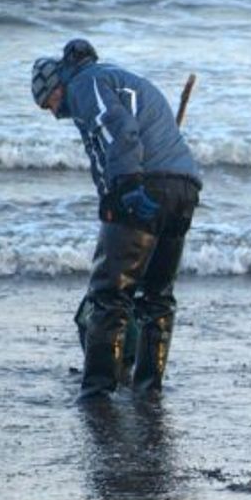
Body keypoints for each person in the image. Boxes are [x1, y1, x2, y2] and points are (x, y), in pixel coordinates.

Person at [31, 39, 202, 399]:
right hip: (184, 189)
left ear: (56, 84)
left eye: (49, 102)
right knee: (157, 297)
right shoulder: (117, 78)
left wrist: (124, 188)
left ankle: (97, 392)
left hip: (143, 184)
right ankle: (148, 389)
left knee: (109, 296)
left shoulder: (84, 84)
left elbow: (117, 129)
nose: (53, 111)